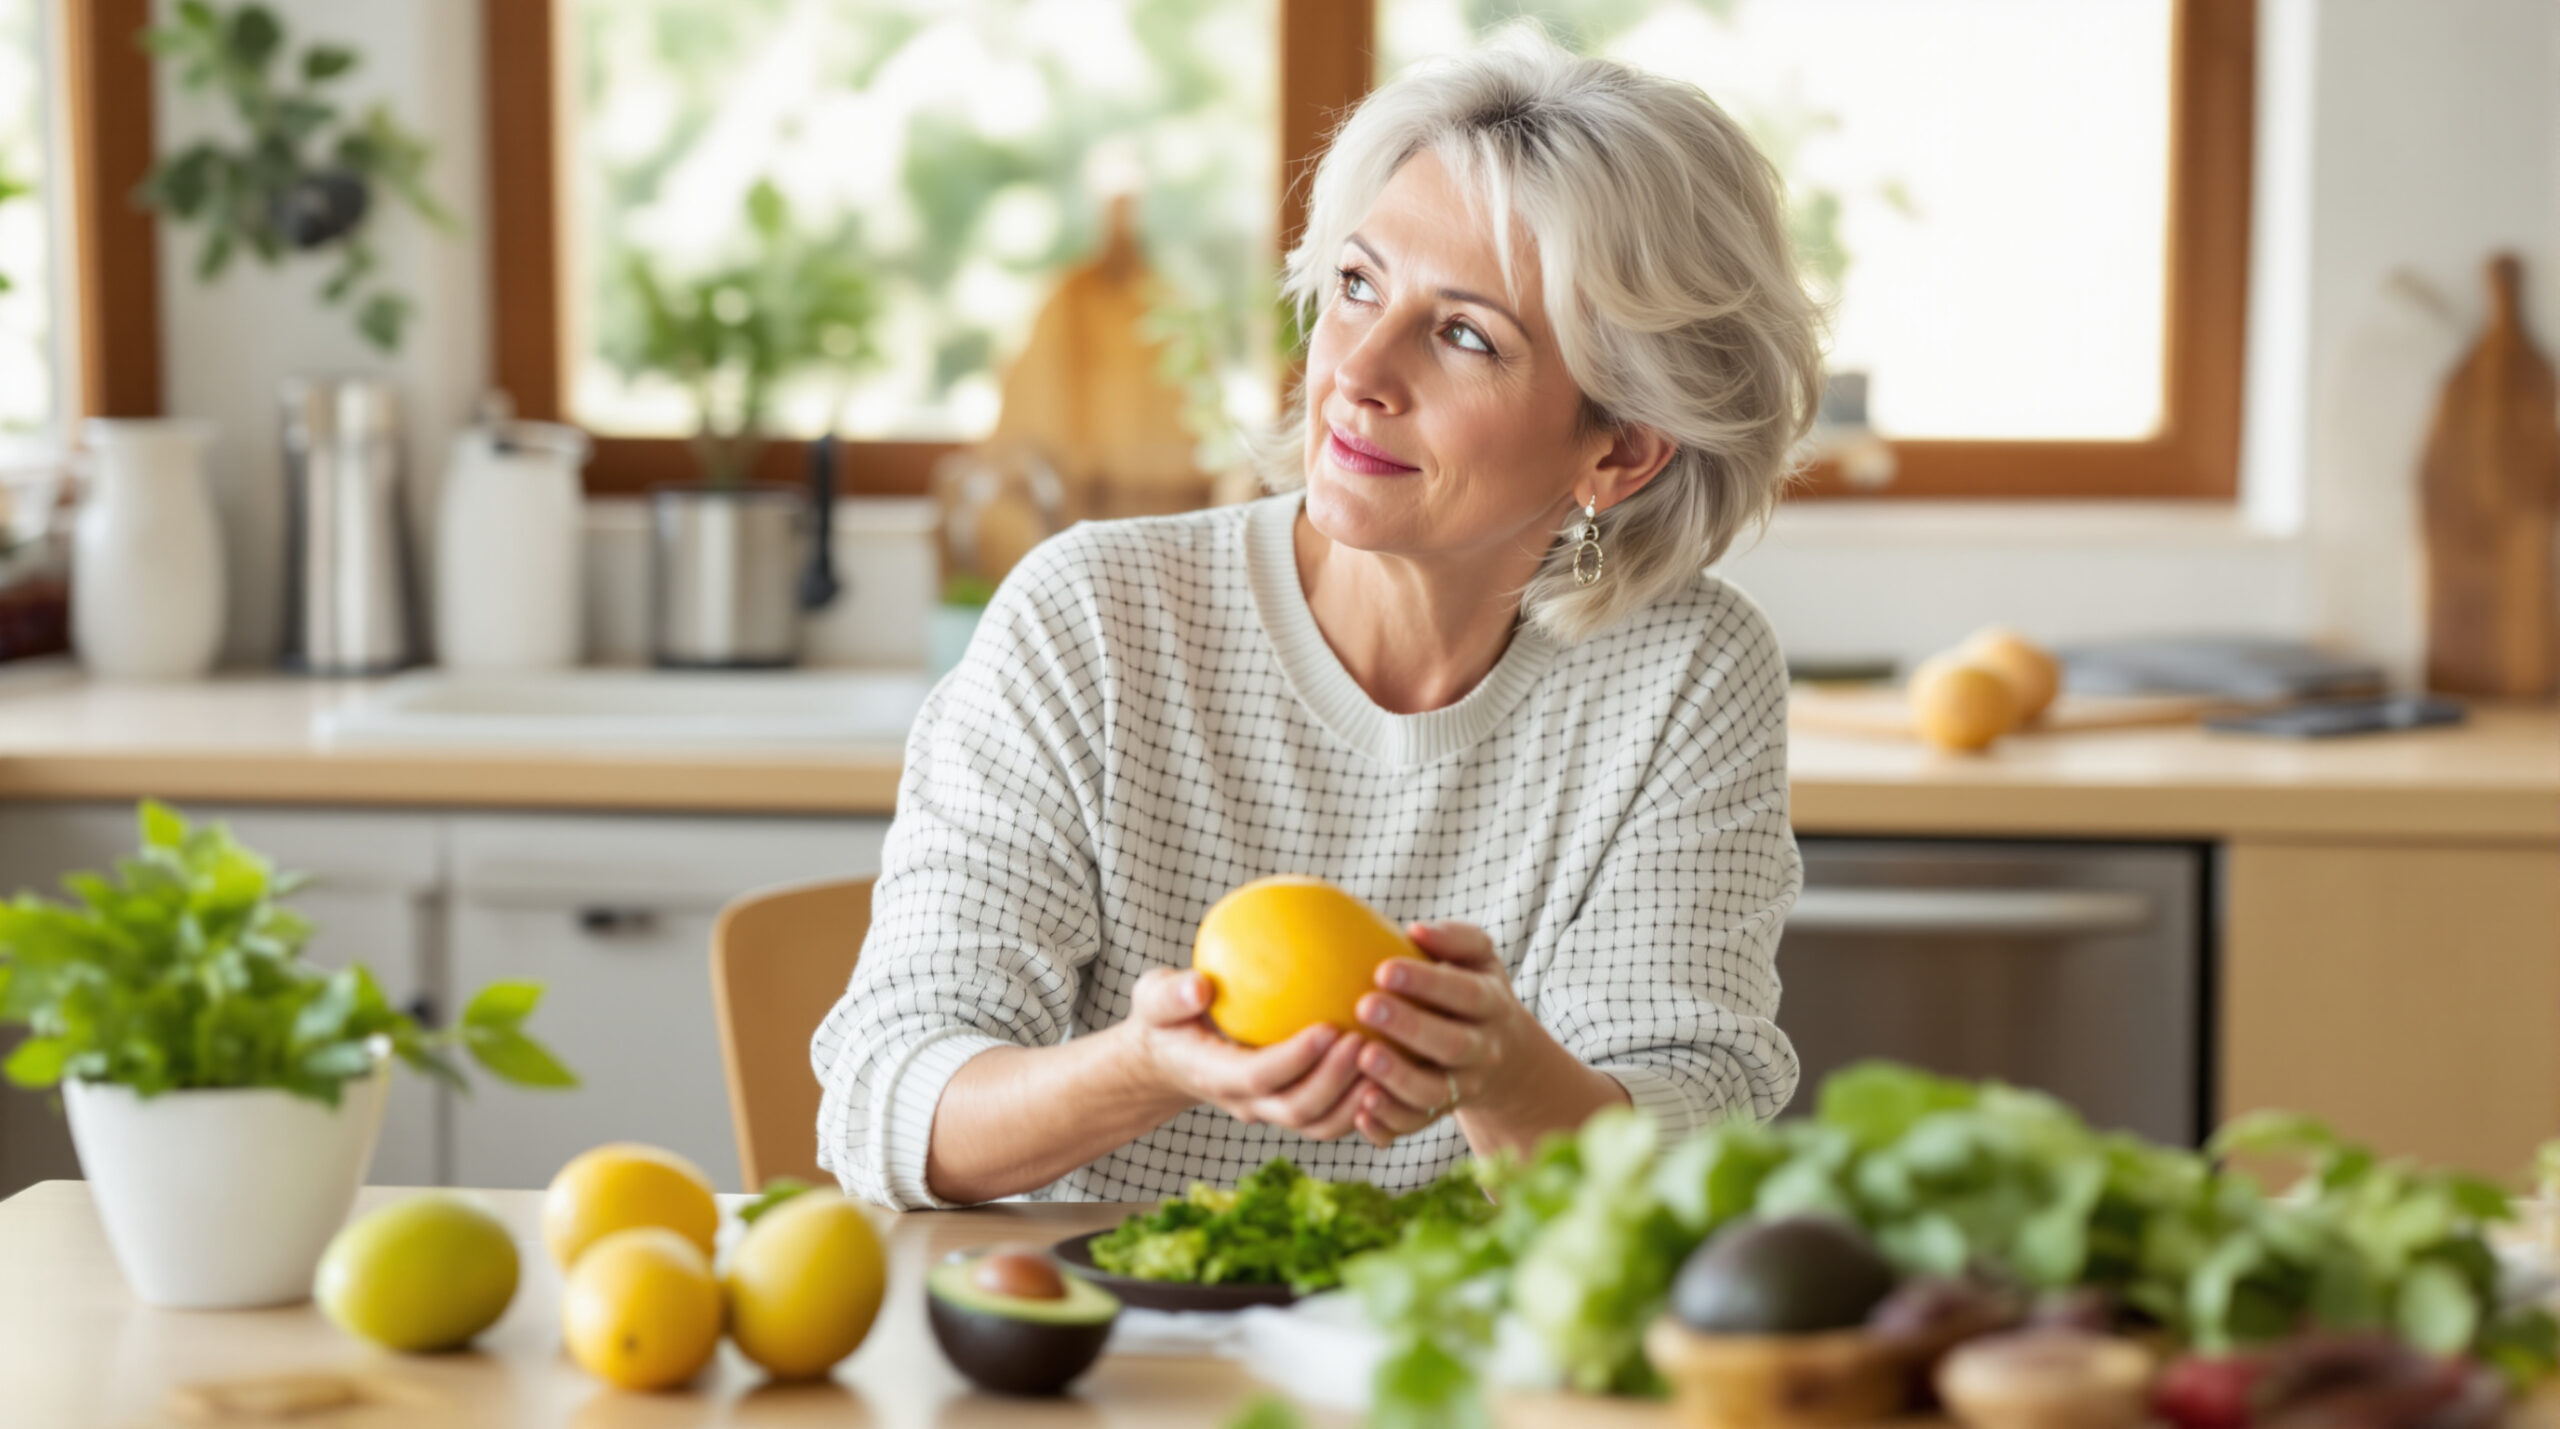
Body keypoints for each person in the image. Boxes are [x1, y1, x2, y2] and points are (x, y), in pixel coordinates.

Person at [813, 33, 1823, 1209]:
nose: (1356, 371)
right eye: (1357, 285)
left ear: (1620, 448)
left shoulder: (1684, 670)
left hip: (1464, 1370)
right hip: (1107, 1359)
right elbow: (885, 1102)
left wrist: (1500, 1074)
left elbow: (1694, 1137)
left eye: (1463, 335)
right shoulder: (1092, 618)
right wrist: (1146, 1068)